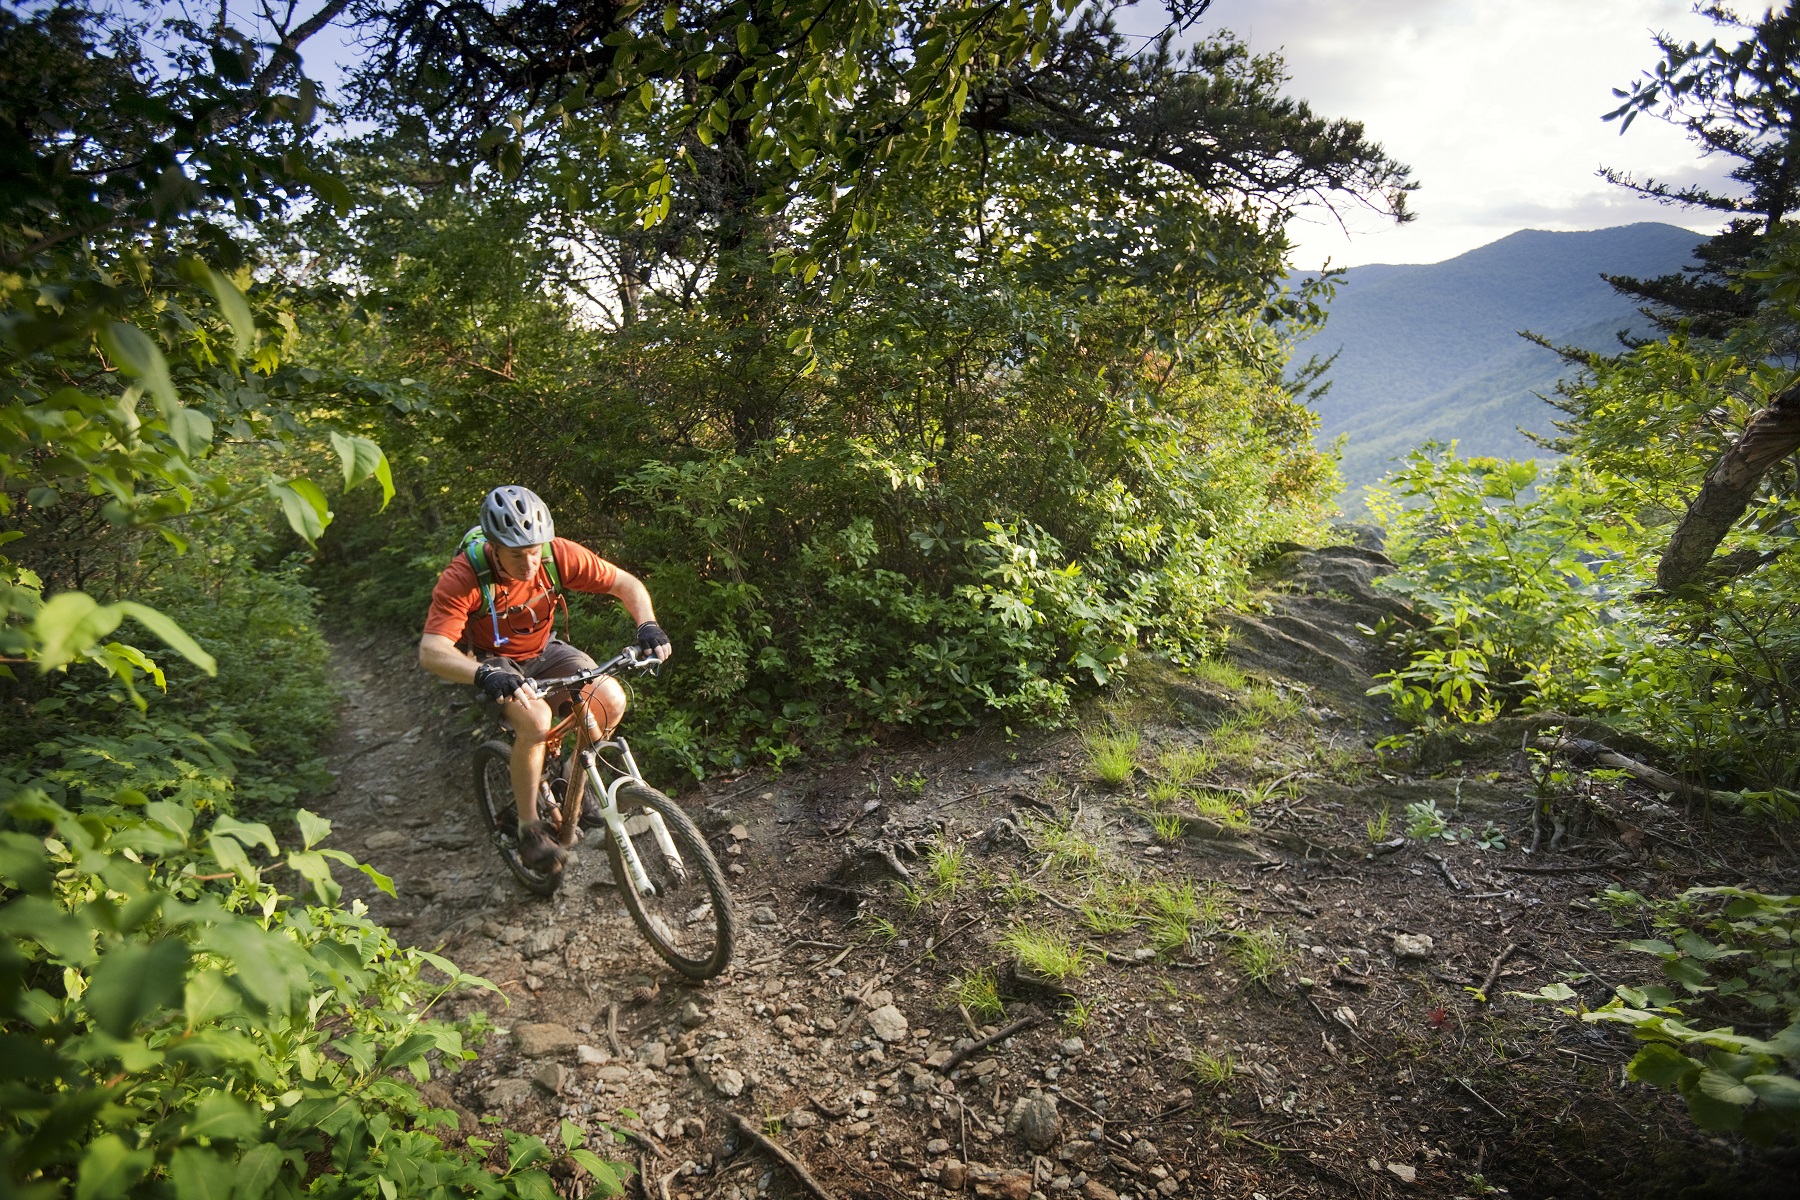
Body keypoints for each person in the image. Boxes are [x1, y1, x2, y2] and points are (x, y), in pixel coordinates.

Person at [418, 485, 672, 871]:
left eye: (534, 550)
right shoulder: (464, 576)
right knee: (536, 721)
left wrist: (648, 625)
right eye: (517, 555)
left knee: (611, 700)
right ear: (493, 546)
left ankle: (571, 782)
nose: (530, 563)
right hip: (494, 662)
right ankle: (529, 828)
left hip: (545, 650)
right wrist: (483, 673)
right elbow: (432, 650)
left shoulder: (556, 555)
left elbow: (626, 584)